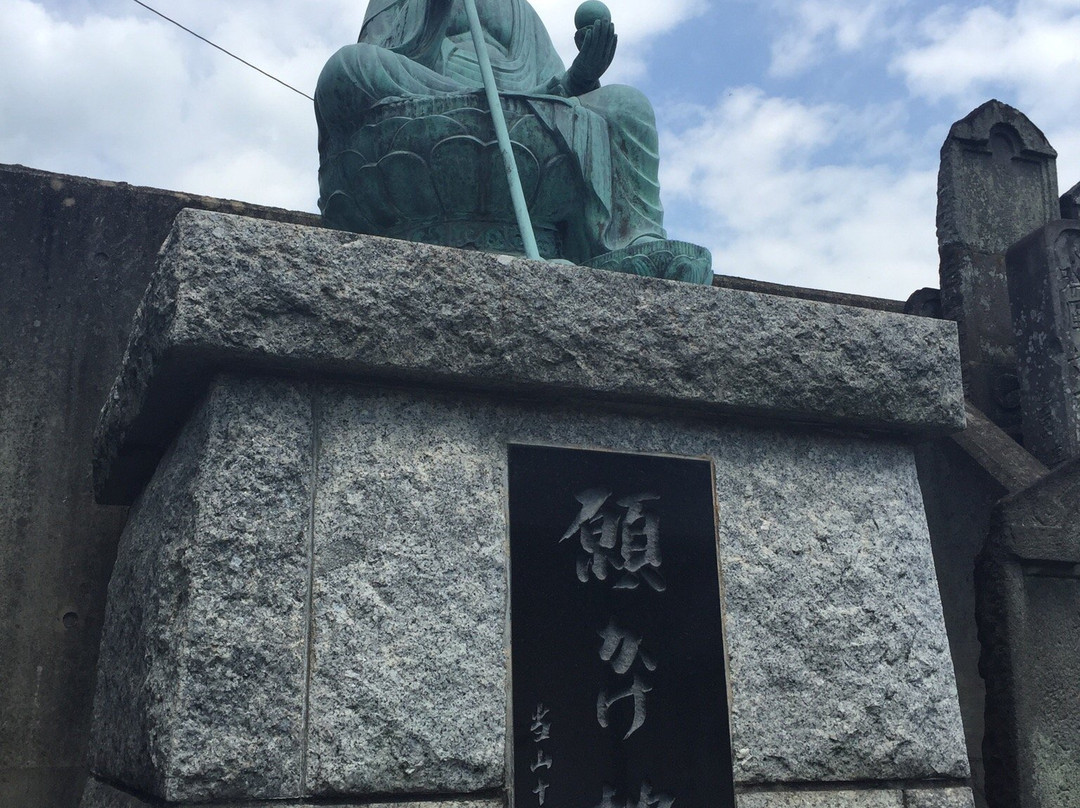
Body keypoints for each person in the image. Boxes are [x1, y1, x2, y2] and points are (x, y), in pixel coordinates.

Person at [315, 0, 668, 260]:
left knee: (627, 103)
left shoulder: (520, 11)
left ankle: (636, 238)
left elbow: (551, 88)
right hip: (433, 102)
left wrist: (581, 75)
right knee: (348, 66)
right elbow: (383, 51)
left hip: (524, 112)